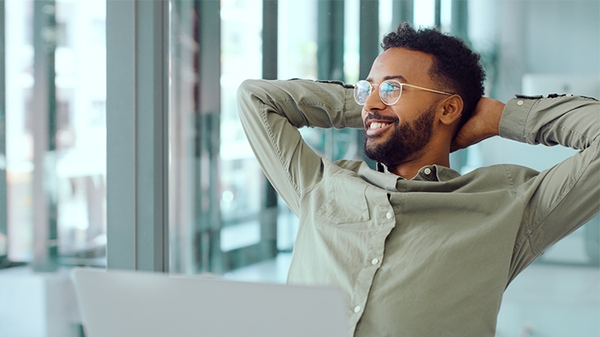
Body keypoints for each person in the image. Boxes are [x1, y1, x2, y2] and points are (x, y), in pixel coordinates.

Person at [236, 23, 599, 337]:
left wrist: (501, 118)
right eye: (368, 88)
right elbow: (256, 98)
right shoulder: (321, 184)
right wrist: (371, 107)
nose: (372, 102)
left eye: (393, 88)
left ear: (448, 108)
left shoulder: (508, 206)